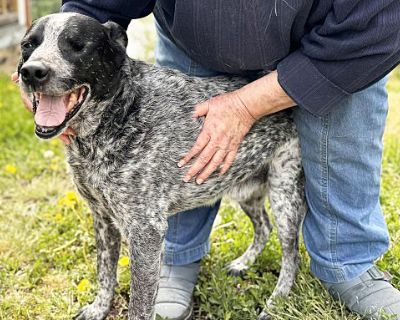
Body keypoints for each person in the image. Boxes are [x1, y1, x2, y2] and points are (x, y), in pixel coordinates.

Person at [16, 1, 400, 319]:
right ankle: (177, 260)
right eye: (29, 50)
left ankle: (347, 262)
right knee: (170, 175)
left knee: (339, 146)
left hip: (337, 45)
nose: (33, 62)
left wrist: (249, 104)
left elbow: (378, 22)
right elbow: (93, 7)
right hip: (199, 37)